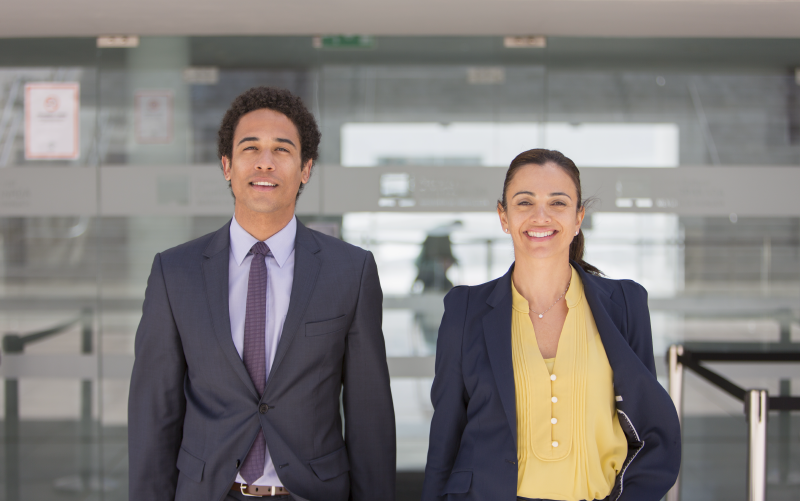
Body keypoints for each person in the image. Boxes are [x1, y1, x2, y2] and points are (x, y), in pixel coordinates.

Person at [128, 87, 396, 501]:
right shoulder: (174, 272)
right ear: (226, 165)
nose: (264, 162)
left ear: (305, 168)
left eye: (282, 150)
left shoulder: (351, 271)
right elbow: (154, 413)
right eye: (250, 147)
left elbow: (369, 413)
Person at [422, 149, 680, 501]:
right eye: (524, 202)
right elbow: (445, 440)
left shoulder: (625, 304)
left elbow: (649, 430)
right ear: (503, 216)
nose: (540, 216)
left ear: (578, 218)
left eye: (557, 203)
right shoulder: (465, 310)